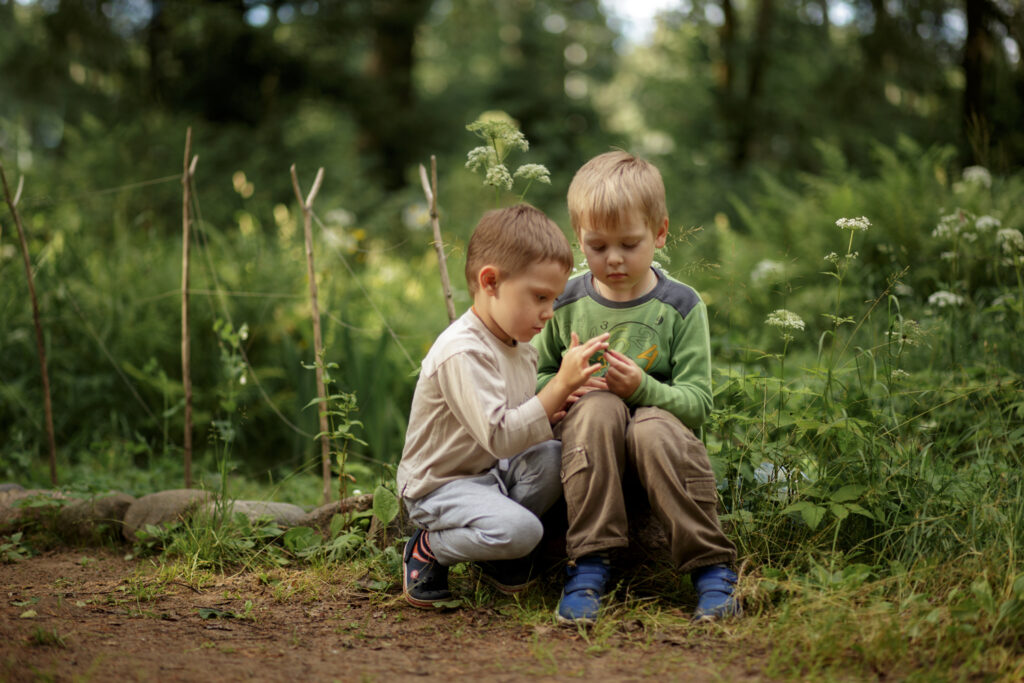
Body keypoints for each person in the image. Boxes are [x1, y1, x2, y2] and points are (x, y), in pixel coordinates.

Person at [534, 151, 740, 625]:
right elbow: (539, 376)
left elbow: (698, 404)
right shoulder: (565, 302)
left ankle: (711, 570)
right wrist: (564, 386)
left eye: (629, 244)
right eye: (597, 245)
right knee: (598, 407)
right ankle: (587, 564)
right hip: (590, 447)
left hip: (659, 447)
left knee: (649, 426)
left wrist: (643, 388)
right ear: (578, 239)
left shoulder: (681, 305)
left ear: (660, 233)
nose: (614, 259)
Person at [397, 203, 610, 609]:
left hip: (486, 473)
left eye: (555, 299)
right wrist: (558, 386)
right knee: (525, 533)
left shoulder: (519, 348)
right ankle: (430, 549)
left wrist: (558, 406)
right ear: (490, 282)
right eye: (539, 297)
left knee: (552, 456)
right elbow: (500, 436)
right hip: (439, 484)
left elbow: (520, 427)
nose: (549, 313)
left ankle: (493, 552)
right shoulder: (463, 351)